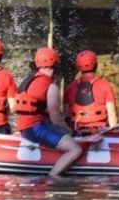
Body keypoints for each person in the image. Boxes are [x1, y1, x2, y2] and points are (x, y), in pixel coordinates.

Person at [10, 47, 82, 178]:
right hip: (35, 128)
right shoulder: (51, 86)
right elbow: (56, 118)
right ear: (55, 63)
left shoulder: (28, 80)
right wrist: (70, 132)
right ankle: (52, 177)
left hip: (24, 126)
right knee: (75, 148)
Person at [63, 50, 119, 134]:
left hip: (76, 131)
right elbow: (112, 114)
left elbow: (66, 115)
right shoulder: (104, 85)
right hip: (99, 131)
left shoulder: (69, 88)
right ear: (96, 65)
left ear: (78, 67)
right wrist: (113, 133)